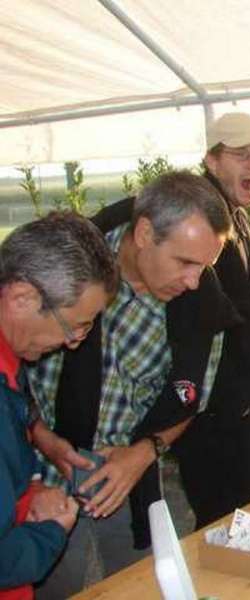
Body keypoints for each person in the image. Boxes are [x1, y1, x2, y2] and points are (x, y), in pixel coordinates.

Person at [27, 171, 235, 598]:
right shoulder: (62, 264)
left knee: (139, 585)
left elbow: (189, 400)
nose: (194, 281)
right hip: (38, 474)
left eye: (206, 266)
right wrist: (41, 437)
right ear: (143, 233)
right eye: (185, 262)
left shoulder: (203, 302)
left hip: (128, 479)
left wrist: (141, 455)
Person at [0, 212, 117, 600]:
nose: (74, 343)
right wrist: (50, 533)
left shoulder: (11, 357)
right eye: (73, 326)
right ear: (22, 298)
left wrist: (32, 485)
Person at [172, 112, 250, 528]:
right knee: (221, 524)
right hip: (213, 410)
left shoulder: (234, 214)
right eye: (242, 155)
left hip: (240, 400)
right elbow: (207, 312)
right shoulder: (199, 216)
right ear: (212, 160)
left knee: (244, 514)